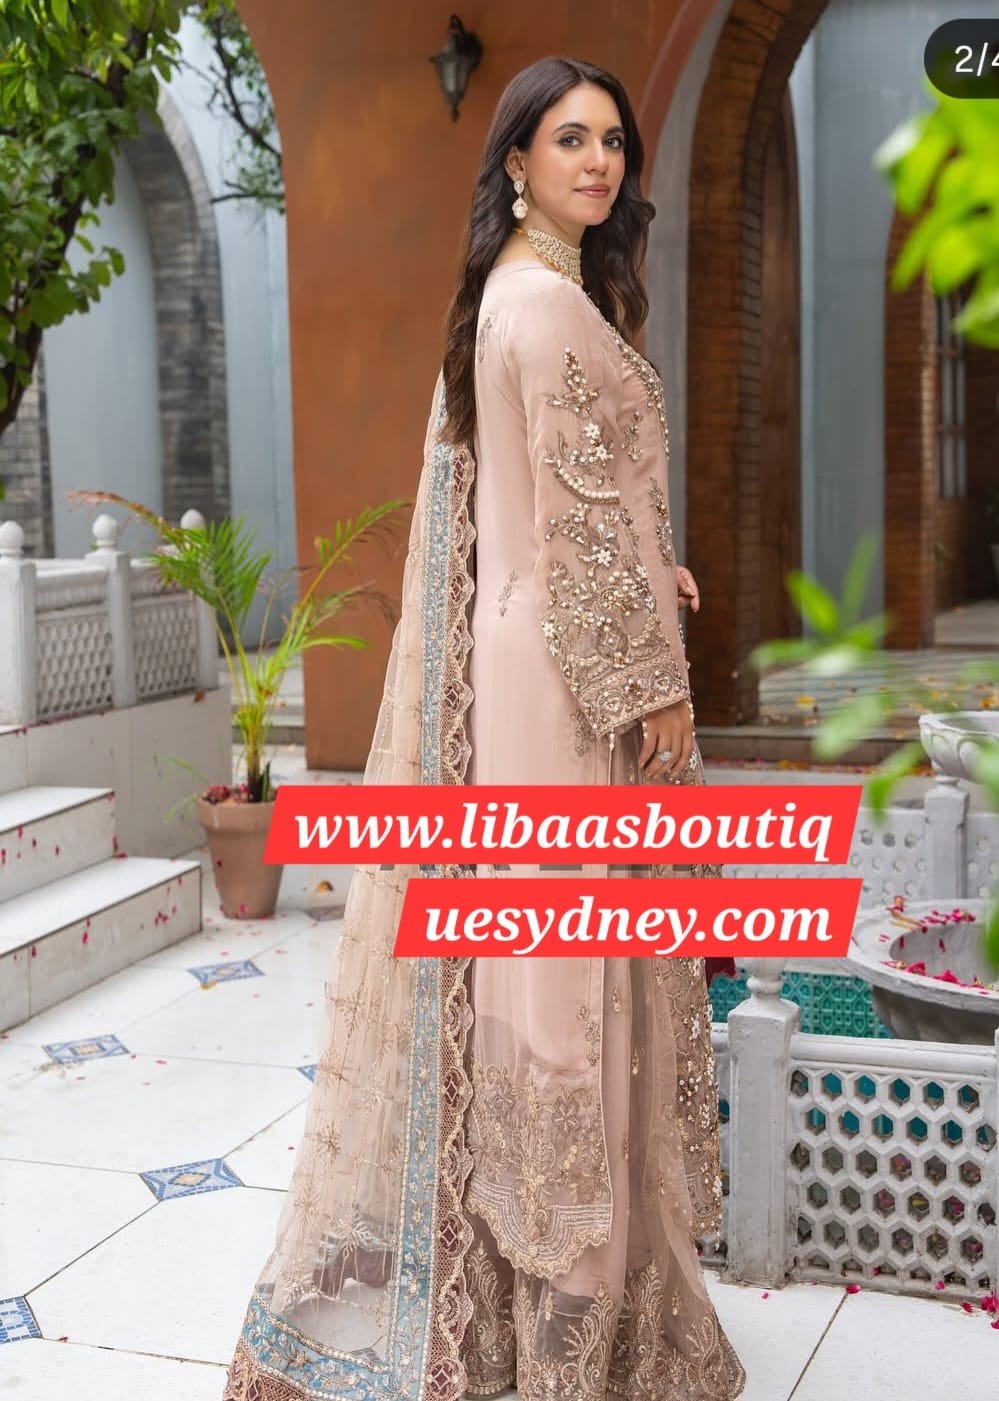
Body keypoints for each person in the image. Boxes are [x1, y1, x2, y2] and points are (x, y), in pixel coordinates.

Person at [223, 55, 746, 1401]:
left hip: (530, 668)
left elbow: (543, 510)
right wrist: (657, 679)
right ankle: (581, 1333)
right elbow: (578, 529)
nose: (601, 161)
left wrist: (659, 571)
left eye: (614, 141)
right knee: (570, 982)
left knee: (538, 967)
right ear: (515, 161)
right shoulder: (548, 305)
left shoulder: (510, 294)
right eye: (570, 139)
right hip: (573, 684)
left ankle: (525, 1307)